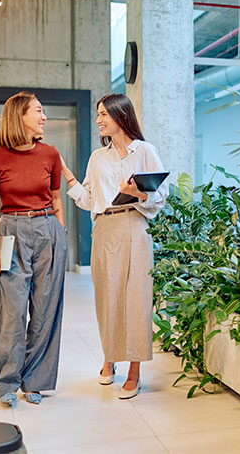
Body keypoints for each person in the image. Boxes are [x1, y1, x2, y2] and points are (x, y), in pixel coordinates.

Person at [61, 93, 168, 399]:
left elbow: (161, 195)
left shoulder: (145, 151)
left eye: (103, 114)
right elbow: (90, 200)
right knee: (107, 297)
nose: (98, 120)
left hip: (134, 225)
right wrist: (68, 177)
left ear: (121, 116)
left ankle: (134, 370)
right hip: (104, 228)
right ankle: (110, 358)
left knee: (135, 298)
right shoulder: (98, 157)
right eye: (98, 114)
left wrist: (138, 194)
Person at [0, 91, 67, 406]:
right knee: (12, 312)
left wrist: (60, 234)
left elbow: (56, 199)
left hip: (47, 229)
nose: (44, 117)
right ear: (20, 116)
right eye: (38, 111)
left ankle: (35, 381)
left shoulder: (51, 154)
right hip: (10, 231)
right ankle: (7, 382)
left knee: (45, 311)